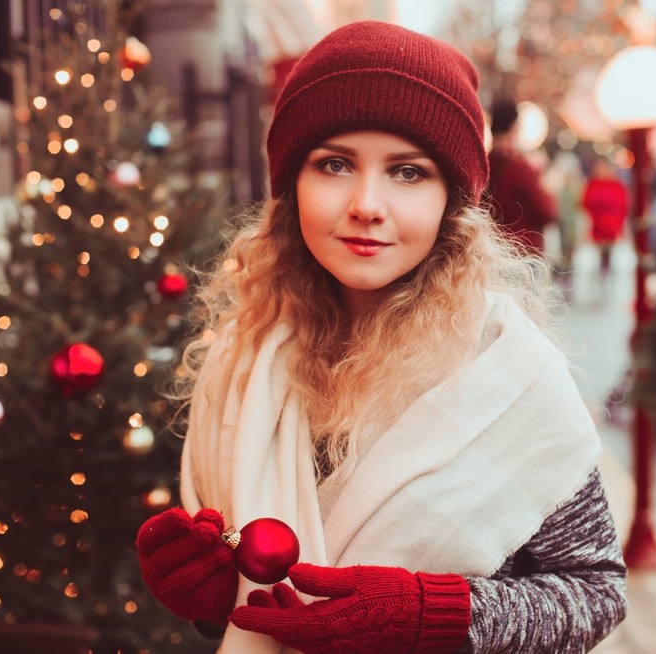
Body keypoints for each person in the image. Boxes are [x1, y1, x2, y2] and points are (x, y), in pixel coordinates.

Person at [136, 20, 627, 654]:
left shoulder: (508, 373)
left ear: (451, 200)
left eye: (407, 172)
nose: (367, 203)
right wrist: (208, 597)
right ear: (292, 186)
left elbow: (596, 591)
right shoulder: (240, 359)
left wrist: (437, 616)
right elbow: (245, 593)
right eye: (335, 164)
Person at [486, 98, 556, 257]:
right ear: (514, 128)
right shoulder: (520, 168)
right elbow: (546, 213)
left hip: (490, 251)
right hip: (522, 254)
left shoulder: (483, 165)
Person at [582, 156, 630, 279]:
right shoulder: (591, 186)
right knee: (588, 266)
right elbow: (586, 211)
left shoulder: (618, 188)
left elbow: (623, 211)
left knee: (621, 266)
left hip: (615, 235)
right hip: (594, 236)